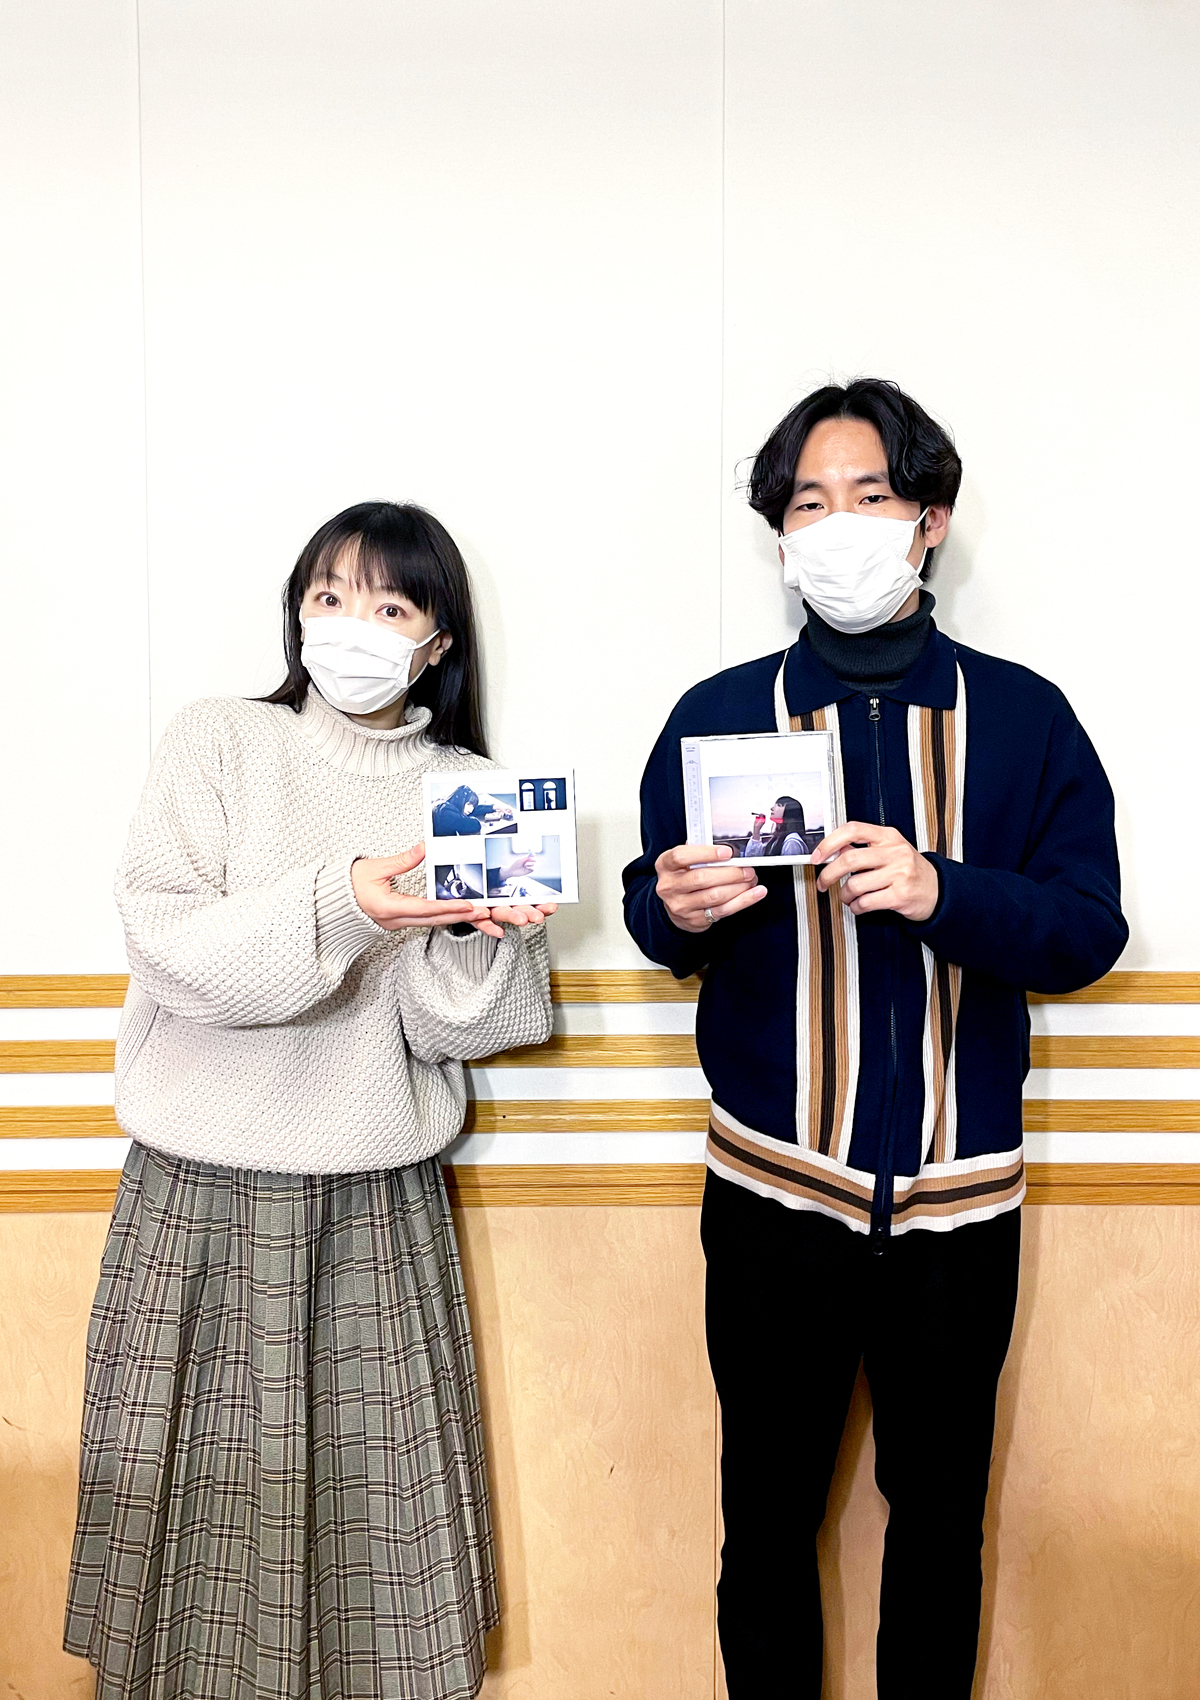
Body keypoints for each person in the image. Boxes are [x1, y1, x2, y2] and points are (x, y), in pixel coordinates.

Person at [622, 379, 1127, 1699]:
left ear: (929, 522)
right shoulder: (718, 713)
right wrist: (670, 908)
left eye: (871, 495)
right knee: (765, 1527)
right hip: (770, 1196)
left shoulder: (1025, 717)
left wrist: (940, 888)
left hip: (960, 1211)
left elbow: (1087, 929)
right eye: (808, 503)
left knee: (940, 1531)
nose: (837, 524)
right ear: (780, 535)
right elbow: (654, 909)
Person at [65, 501, 556, 1700]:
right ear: (295, 611)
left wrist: (489, 939)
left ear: (437, 642)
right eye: (329, 596)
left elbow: (460, 1030)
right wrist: (347, 901)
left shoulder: (470, 789)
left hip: (374, 1204)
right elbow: (171, 950)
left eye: (389, 604)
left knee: (374, 1557)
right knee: (186, 1539)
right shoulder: (219, 739)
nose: (351, 625)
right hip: (194, 1196)